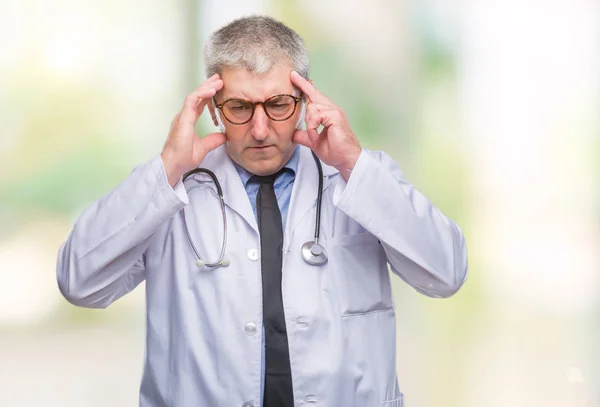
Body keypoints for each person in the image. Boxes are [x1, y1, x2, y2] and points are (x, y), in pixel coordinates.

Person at [56, 15, 468, 407]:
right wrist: (166, 170)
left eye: (277, 104)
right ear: (213, 108)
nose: (259, 129)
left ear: (306, 98)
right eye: (239, 107)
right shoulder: (167, 189)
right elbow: (79, 282)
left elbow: (446, 272)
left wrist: (353, 165)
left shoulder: (359, 177)